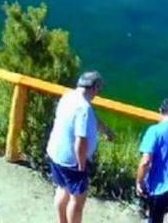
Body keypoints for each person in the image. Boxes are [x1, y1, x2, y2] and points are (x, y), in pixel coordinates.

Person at [46, 71, 116, 223]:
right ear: (95, 87)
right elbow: (80, 141)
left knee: (62, 189)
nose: (99, 92)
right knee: (77, 201)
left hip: (56, 152)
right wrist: (82, 165)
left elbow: (92, 120)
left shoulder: (68, 96)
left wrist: (106, 131)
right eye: (99, 88)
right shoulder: (84, 108)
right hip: (73, 161)